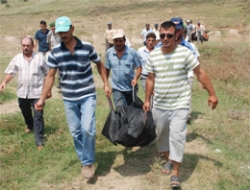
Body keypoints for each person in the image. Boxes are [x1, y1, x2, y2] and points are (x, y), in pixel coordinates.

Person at [143, 21, 218, 188]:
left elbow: (200, 72)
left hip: (180, 104)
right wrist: (147, 100)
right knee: (162, 135)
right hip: (160, 104)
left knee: (177, 137)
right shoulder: (154, 55)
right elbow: (150, 79)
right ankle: (169, 158)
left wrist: (212, 93)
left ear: (176, 35)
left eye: (169, 35)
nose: (165, 38)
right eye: (162, 35)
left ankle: (175, 172)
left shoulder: (185, 53)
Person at [35, 16, 111, 179]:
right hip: (69, 98)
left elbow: (99, 64)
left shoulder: (87, 47)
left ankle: (87, 162)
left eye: (65, 31)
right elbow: (50, 76)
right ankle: (86, 158)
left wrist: (105, 83)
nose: (62, 35)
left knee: (87, 129)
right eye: (59, 32)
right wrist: (41, 98)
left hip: (87, 95)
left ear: (72, 29)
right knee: (76, 132)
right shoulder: (55, 53)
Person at [0, 37, 49, 150]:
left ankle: (39, 141)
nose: (25, 47)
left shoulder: (40, 58)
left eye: (28, 45)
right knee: (25, 111)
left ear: (33, 46)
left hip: (37, 93)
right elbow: (11, 72)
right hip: (22, 93)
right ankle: (29, 125)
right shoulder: (17, 58)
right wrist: (4, 82)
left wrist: (48, 90)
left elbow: (48, 74)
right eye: (23, 45)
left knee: (38, 116)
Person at [105, 29, 142, 107]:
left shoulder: (132, 52)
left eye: (120, 41)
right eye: (116, 41)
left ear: (124, 40)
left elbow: (139, 67)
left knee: (132, 112)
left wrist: (135, 78)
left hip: (131, 88)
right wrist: (106, 84)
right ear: (113, 41)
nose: (118, 43)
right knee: (121, 111)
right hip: (117, 89)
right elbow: (107, 69)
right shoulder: (109, 53)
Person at [46, 21, 61, 88]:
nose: (53, 30)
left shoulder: (60, 34)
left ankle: (60, 81)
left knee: (59, 68)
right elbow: (49, 42)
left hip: (60, 52)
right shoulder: (50, 34)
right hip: (53, 52)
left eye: (54, 28)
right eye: (52, 28)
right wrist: (50, 49)